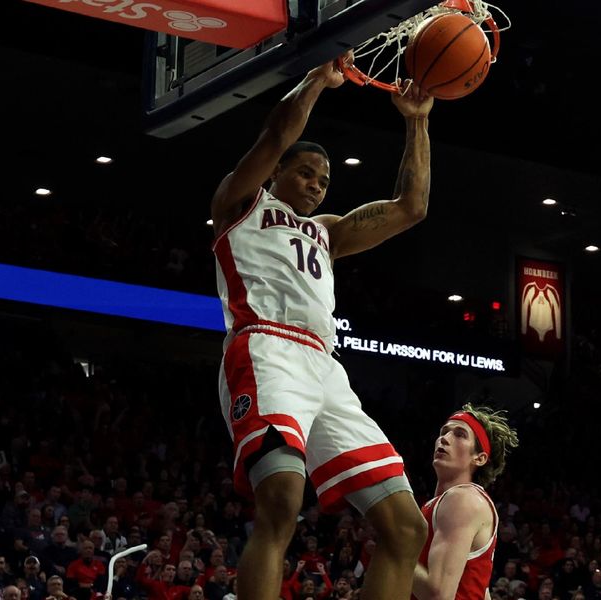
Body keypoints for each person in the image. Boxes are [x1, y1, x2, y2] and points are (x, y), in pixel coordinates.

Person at [210, 51, 433, 600]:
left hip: (325, 367)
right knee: (283, 499)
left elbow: (411, 207)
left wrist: (417, 118)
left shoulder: (328, 232)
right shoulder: (241, 203)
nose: (316, 184)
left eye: (324, 179)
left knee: (407, 528)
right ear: (280, 171)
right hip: (265, 348)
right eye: (305, 172)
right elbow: (276, 133)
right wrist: (318, 79)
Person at [411, 404, 519, 600]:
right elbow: (482, 591)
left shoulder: (463, 499)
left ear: (479, 458)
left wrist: (396, 543)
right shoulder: (451, 501)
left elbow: (439, 595)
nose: (444, 438)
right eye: (444, 432)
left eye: (460, 434)